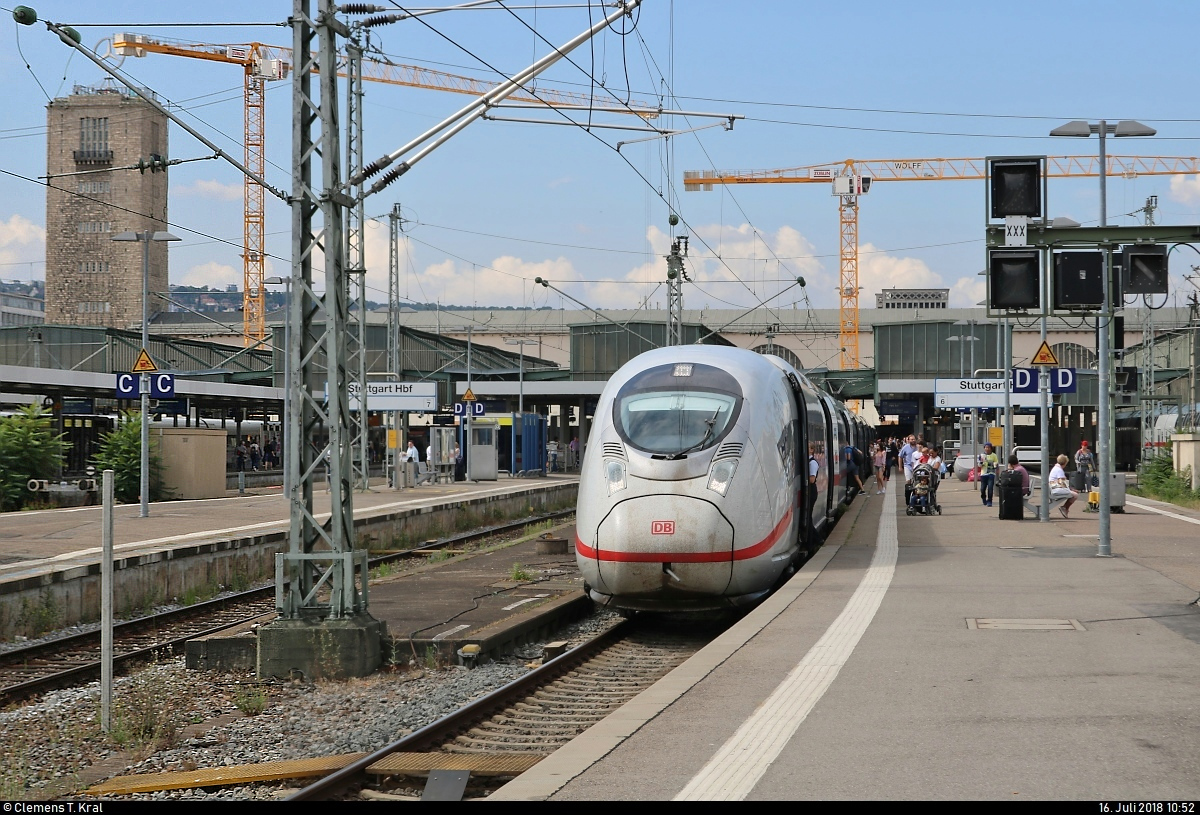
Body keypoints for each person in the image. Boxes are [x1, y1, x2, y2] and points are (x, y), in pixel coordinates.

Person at [1049, 453, 1079, 518]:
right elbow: (1062, 483)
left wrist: (1070, 489)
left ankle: (1065, 507)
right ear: (1065, 463)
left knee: (1073, 493)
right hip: (1056, 489)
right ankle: (1065, 508)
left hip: (1053, 488)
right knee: (1075, 495)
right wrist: (1071, 490)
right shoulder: (1059, 470)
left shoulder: (1055, 468)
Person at [977, 442, 999, 507]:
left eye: (988, 447)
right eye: (986, 447)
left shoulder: (994, 455)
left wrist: (995, 466)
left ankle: (989, 501)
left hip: (991, 473)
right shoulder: (982, 455)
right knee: (982, 489)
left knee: (990, 488)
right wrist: (981, 462)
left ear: (991, 448)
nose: (987, 449)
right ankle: (983, 498)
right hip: (984, 474)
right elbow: (979, 465)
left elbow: (996, 463)